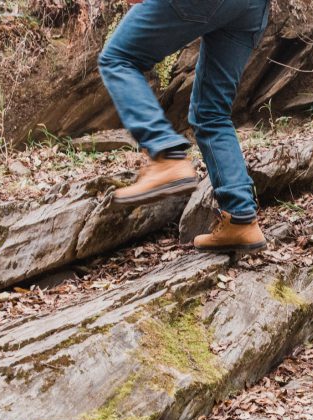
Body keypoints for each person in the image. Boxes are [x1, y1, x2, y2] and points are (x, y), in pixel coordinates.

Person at [98, 0, 270, 253]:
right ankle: (240, 218)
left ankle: (165, 155)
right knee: (211, 112)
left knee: (118, 58)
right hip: (252, 8)